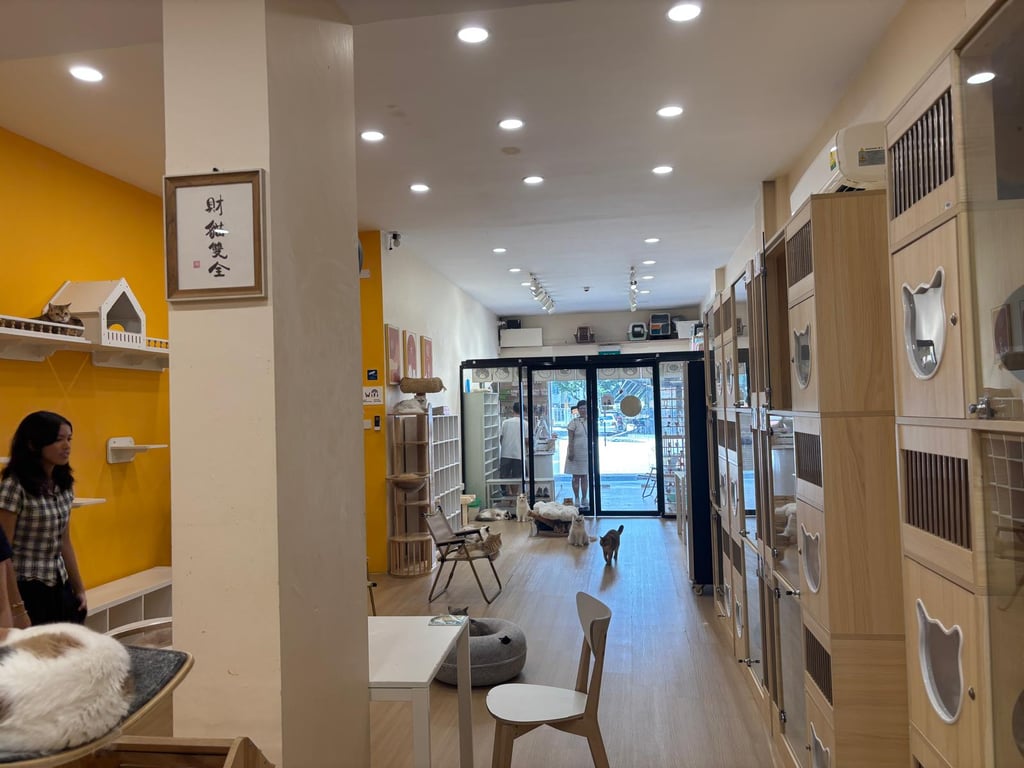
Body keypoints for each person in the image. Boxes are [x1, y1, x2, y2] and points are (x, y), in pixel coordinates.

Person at [0, 411, 87, 626]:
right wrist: (16, 607)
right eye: (58, 440)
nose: (66, 446)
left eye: (69, 439)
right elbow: (3, 554)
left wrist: (79, 588)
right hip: (27, 587)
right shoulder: (14, 486)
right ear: (33, 444)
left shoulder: (63, 484)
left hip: (59, 582)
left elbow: (64, 541)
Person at [564, 399, 590, 509]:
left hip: (586, 452)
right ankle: (577, 498)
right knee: (576, 476)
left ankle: (584, 497)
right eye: (581, 408)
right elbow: (570, 439)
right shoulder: (573, 422)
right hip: (575, 452)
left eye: (585, 408)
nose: (583, 410)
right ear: (578, 410)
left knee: (585, 476)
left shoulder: (591, 421)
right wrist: (571, 451)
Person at [498, 402, 526, 496]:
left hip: (505, 453)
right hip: (519, 454)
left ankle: (507, 496)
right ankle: (514, 497)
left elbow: (501, 438)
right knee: (516, 477)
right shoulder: (525, 423)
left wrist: (505, 446)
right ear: (523, 411)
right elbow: (527, 440)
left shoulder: (505, 423)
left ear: (513, 410)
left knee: (504, 476)